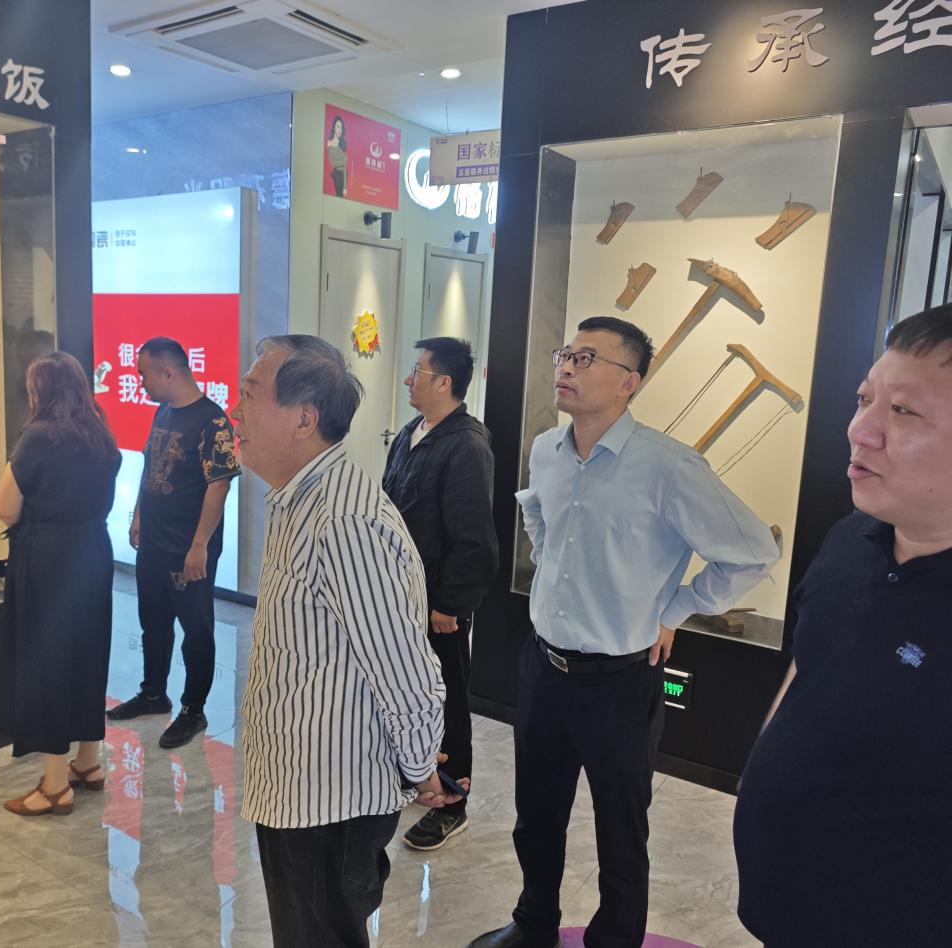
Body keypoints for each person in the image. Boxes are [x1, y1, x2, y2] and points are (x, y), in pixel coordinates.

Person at [471, 316, 779, 948]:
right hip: (543, 665)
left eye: (587, 358)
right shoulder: (547, 449)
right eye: (565, 353)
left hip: (619, 681)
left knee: (620, 826)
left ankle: (615, 939)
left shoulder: (668, 466)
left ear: (628, 382)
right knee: (537, 814)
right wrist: (551, 565)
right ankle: (533, 923)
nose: (566, 367)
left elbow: (753, 551)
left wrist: (676, 610)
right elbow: (537, 510)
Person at [230, 334, 466, 947]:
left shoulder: (343, 522)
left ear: (303, 418)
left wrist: (421, 768)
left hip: (328, 801)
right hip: (298, 785)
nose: (235, 408)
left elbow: (406, 672)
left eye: (250, 394)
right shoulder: (298, 499)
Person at [734, 304, 952, 946]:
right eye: (864, 399)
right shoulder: (851, 536)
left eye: (903, 411)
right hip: (783, 906)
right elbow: (808, 664)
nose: (861, 430)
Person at [382, 337, 498, 851]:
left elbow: (475, 538)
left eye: (418, 370)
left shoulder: (467, 445)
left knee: (446, 699)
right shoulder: (412, 432)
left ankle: (452, 802)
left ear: (444, 381)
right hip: (400, 597)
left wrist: (450, 604)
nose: (409, 378)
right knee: (409, 694)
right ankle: (419, 776)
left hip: (437, 606)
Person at [0, 351, 122, 816]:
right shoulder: (101, 435)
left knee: (47, 660)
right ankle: (88, 763)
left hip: (49, 558)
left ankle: (54, 786)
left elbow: (5, 509)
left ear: (40, 390)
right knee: (88, 652)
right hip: (93, 550)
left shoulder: (37, 438)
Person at [107, 336, 239, 750]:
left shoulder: (212, 421)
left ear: (168, 372)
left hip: (188, 547)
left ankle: (193, 710)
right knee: (153, 620)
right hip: (154, 541)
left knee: (195, 629)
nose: (141, 382)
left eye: (143, 374)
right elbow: (151, 466)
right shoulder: (163, 411)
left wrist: (200, 546)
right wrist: (138, 516)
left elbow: (219, 486)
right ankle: (153, 693)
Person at [327, 114, 349, 198]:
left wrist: (345, 187)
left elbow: (345, 166)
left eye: (341, 128)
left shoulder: (343, 143)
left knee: (343, 198)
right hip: (336, 175)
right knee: (338, 197)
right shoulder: (330, 143)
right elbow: (332, 163)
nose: (340, 130)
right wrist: (344, 160)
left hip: (344, 175)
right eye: (338, 127)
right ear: (334, 127)